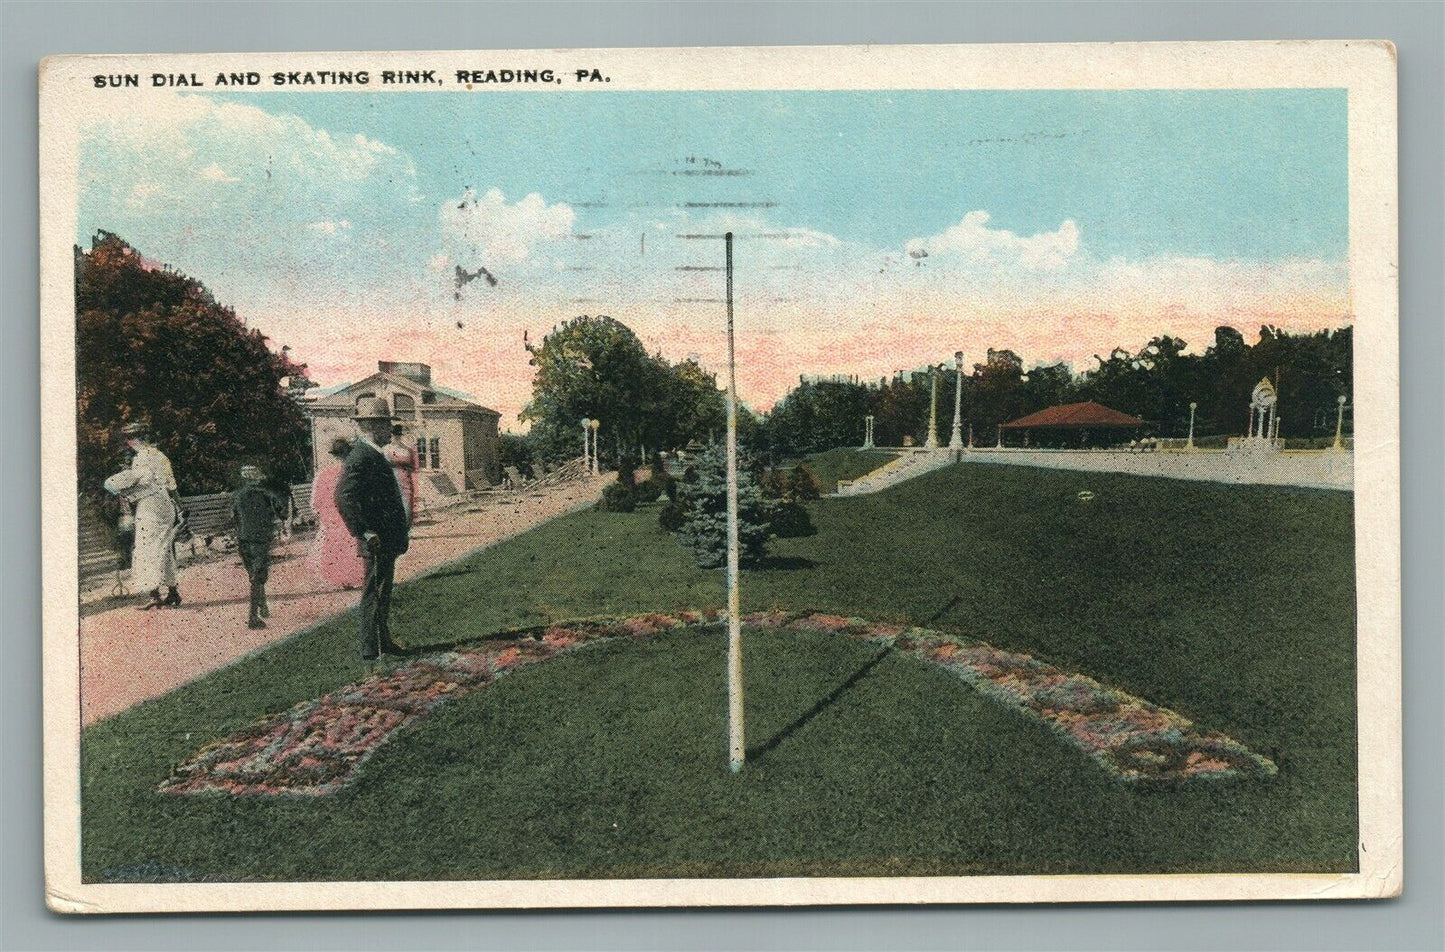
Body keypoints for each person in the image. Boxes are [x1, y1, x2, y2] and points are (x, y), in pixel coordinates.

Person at [335, 398, 411, 660]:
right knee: (374, 593)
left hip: (385, 537)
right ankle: (370, 649)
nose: (389, 431)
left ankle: (382, 642)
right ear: (370, 426)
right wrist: (363, 531)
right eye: (384, 425)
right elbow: (343, 497)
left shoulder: (373, 454)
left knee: (381, 592)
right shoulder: (360, 456)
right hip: (376, 538)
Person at [102, 421, 182, 610]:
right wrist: (179, 508)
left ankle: (155, 594)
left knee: (147, 551)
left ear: (133, 440)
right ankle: (173, 592)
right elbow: (172, 485)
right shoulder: (160, 455)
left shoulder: (142, 458)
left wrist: (117, 487)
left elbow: (138, 479)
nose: (129, 444)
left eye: (129, 440)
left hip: (151, 507)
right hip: (165, 505)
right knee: (163, 548)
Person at [232, 464, 286, 629]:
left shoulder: (238, 496)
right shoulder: (267, 494)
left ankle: (263, 607)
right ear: (258, 477)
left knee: (254, 576)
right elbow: (283, 513)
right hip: (260, 539)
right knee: (258, 577)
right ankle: (253, 617)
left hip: (243, 539)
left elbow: (234, 517)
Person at [309, 438, 367, 589]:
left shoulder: (322, 474)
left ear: (333, 455)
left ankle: (338, 579)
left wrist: (321, 514)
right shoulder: (354, 472)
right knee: (349, 542)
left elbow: (315, 502)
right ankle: (349, 577)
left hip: (330, 521)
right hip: (348, 518)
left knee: (333, 544)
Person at [383, 422, 419, 525]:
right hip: (390, 479)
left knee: (407, 505)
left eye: (398, 435)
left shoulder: (407, 450)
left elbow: (413, 466)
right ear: (391, 436)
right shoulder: (386, 449)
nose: (395, 437)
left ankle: (405, 529)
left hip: (405, 479)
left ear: (400, 436)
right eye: (394, 435)